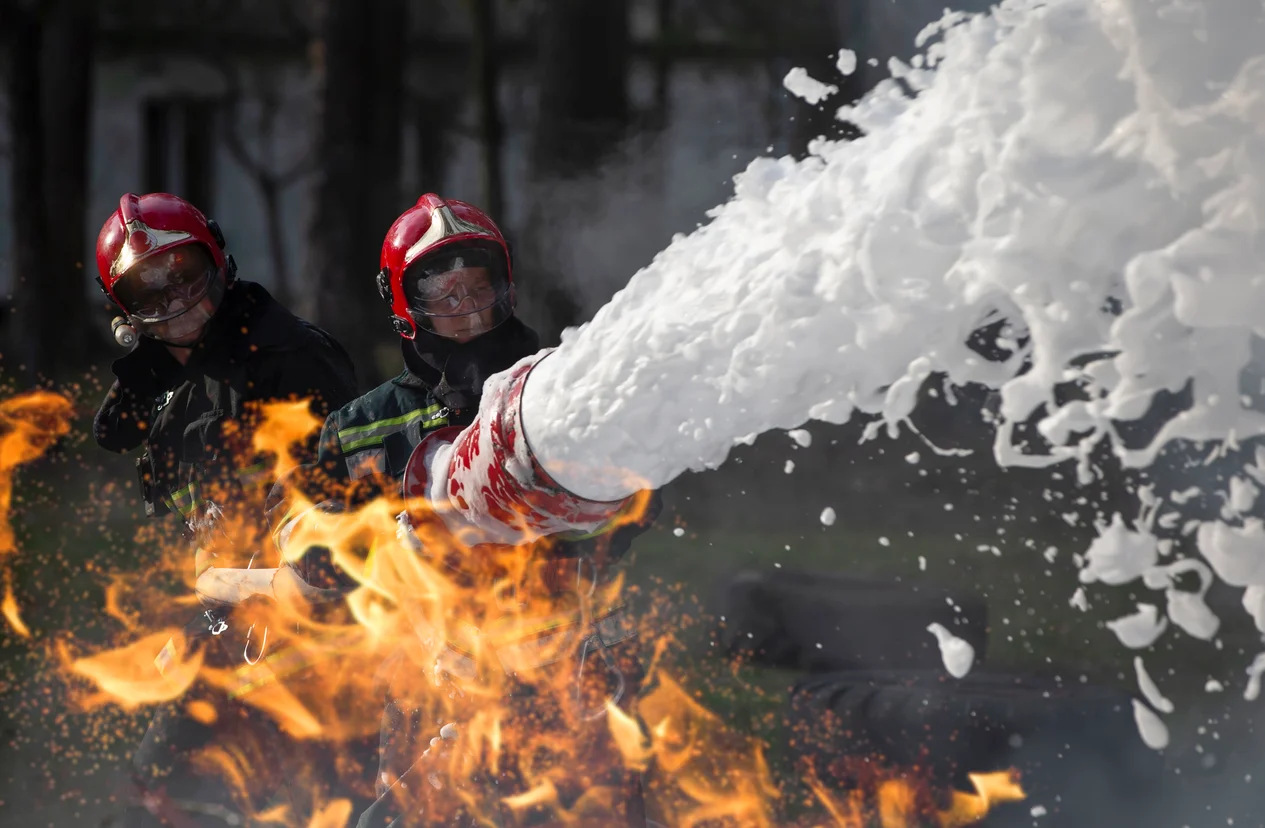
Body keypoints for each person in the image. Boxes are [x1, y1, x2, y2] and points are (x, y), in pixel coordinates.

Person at [267, 193, 659, 827]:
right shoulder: (361, 426)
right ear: (403, 306)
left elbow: (640, 501)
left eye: (478, 289)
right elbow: (312, 549)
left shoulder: (556, 394)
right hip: (429, 696)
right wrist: (374, 549)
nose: (467, 310)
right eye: (442, 296)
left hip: (566, 686)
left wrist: (554, 505)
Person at [91, 192, 360, 825]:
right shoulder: (177, 376)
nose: (175, 301)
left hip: (315, 642)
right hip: (232, 621)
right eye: (149, 292)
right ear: (125, 312)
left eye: (183, 277)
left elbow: (331, 548)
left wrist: (220, 600)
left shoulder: (289, 365)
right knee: (154, 792)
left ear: (219, 265)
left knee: (292, 802)